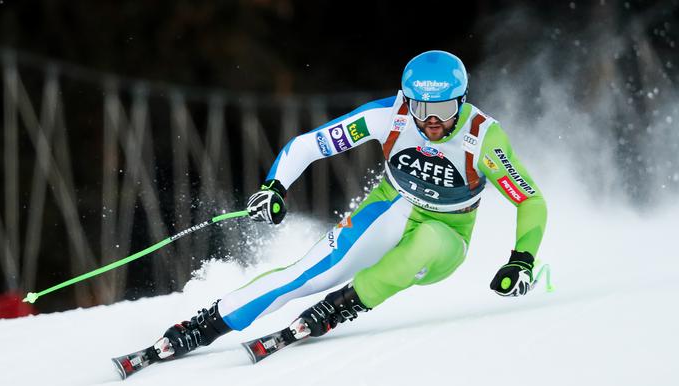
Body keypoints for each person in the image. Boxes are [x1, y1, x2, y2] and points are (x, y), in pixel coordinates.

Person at [147, 50, 548, 361]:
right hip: (390, 205)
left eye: (442, 110)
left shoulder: (483, 139)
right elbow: (307, 145)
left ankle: (341, 307)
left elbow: (530, 200)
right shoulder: (388, 116)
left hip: (448, 234)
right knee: (310, 273)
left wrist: (522, 261)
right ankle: (206, 324)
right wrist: (274, 187)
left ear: (462, 101)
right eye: (421, 109)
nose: (430, 122)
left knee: (424, 241)